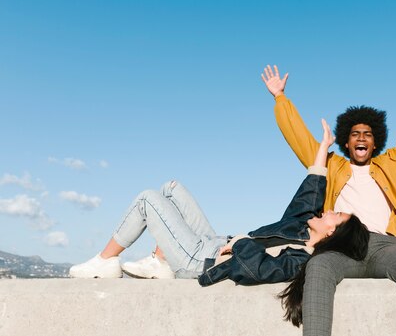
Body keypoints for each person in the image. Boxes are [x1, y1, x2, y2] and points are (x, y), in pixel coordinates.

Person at [262, 64, 396, 336]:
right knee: (318, 265)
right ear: (346, 142)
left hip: (384, 246)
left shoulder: (395, 162)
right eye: (355, 134)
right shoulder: (333, 166)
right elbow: (302, 141)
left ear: (375, 143)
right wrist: (280, 98)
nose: (362, 138)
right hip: (341, 245)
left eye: (367, 134)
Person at [70, 120, 370, 285]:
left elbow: (258, 271)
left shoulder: (300, 260)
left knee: (148, 199)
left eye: (336, 215)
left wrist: (240, 246)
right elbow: (311, 193)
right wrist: (323, 148)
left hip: (201, 262)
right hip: (214, 242)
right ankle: (160, 262)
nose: (328, 210)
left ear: (332, 233)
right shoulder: (301, 230)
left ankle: (106, 261)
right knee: (171, 188)